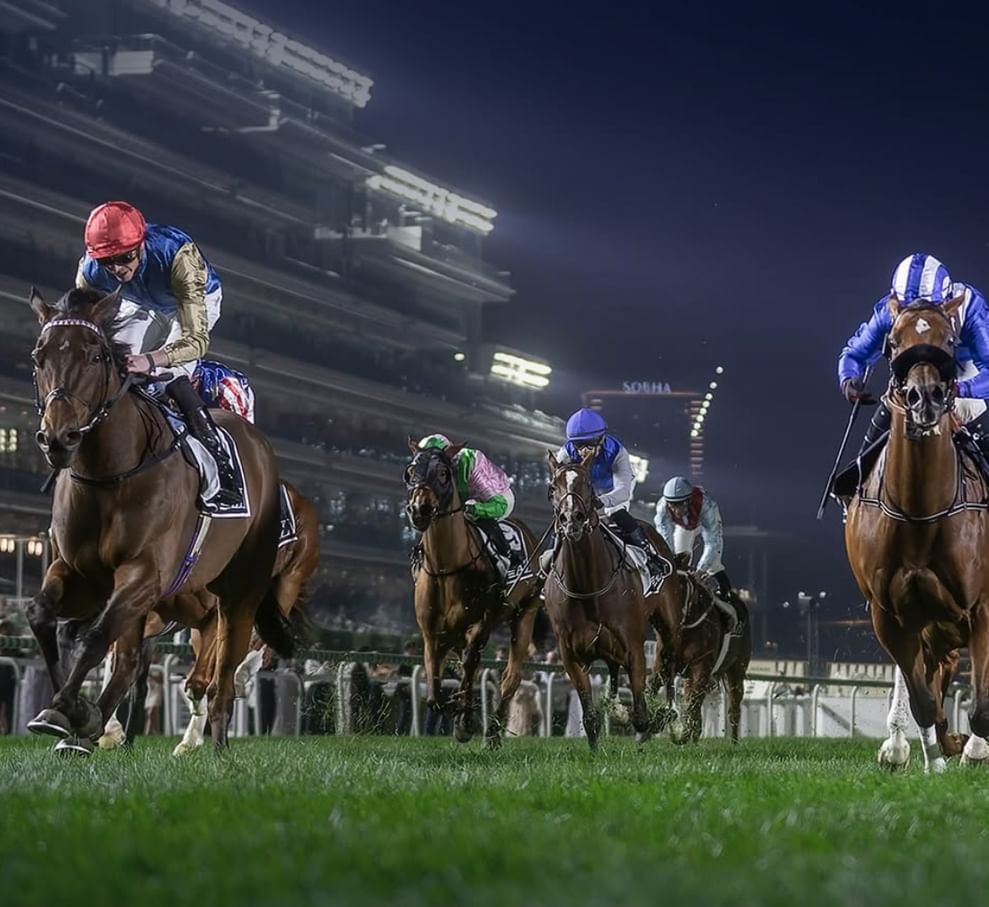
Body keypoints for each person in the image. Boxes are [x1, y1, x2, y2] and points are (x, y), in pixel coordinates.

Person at [76, 200, 241, 505]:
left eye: (125, 257)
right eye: (107, 261)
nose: (117, 268)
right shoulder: (90, 270)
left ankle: (219, 462)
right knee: (111, 367)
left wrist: (151, 360)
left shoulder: (178, 254)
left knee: (169, 376)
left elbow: (195, 340)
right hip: (140, 303)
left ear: (140, 244)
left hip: (191, 305)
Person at [838, 252, 989, 461]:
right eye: (909, 313)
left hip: (961, 376)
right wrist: (848, 379)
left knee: (969, 410)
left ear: (949, 305)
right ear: (897, 305)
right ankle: (859, 474)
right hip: (909, 382)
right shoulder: (889, 312)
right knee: (867, 456)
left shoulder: (970, 309)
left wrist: (960, 389)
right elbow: (855, 354)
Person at [552, 408, 668, 583]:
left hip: (614, 490)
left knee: (617, 514)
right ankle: (549, 564)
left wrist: (601, 501)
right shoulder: (566, 452)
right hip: (585, 491)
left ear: (601, 439)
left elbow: (623, 491)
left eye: (589, 444)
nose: (583, 451)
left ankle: (649, 558)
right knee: (562, 520)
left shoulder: (617, 453)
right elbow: (558, 482)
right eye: (578, 445)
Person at [414, 434, 516, 566]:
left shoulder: (469, 460)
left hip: (495, 501)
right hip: (466, 499)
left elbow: (499, 505)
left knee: (473, 513)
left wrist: (474, 508)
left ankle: (507, 556)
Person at [655, 475, 737, 628]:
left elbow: (713, 542)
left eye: (679, 504)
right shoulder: (662, 508)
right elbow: (665, 542)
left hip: (706, 523)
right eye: (672, 505)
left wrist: (700, 571)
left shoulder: (707, 505)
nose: (675, 510)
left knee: (714, 565)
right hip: (684, 527)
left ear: (688, 500)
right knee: (678, 561)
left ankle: (729, 606)